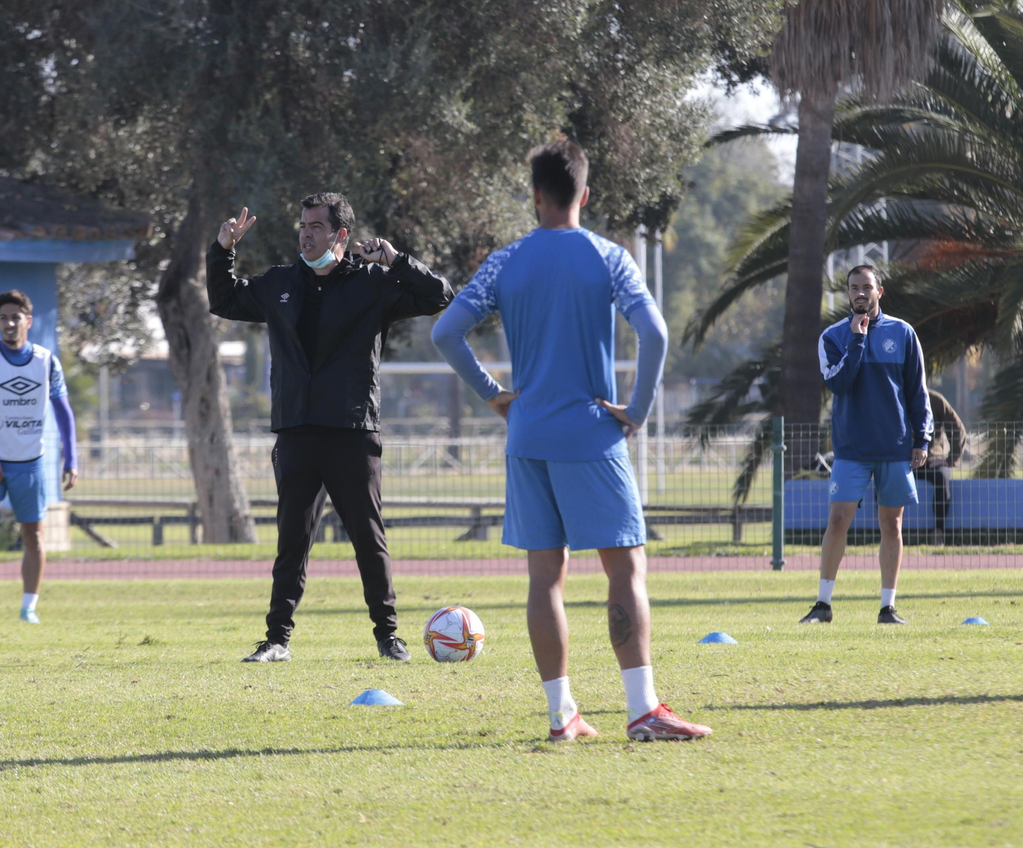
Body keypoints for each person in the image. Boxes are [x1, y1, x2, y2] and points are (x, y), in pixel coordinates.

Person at [432, 138, 711, 744]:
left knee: (545, 578)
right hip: (590, 435)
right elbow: (655, 333)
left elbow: (446, 331)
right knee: (625, 569)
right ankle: (642, 712)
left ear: (535, 195)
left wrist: (493, 393)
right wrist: (634, 411)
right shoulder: (608, 257)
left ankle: (563, 718)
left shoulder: (505, 262)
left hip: (527, 434)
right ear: (585, 194)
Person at [208, 192, 454, 662]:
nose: (306, 233)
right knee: (292, 540)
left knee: (368, 537)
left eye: (316, 226)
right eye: (302, 225)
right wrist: (222, 251)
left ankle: (388, 636)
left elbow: (437, 295)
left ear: (341, 235)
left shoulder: (373, 283)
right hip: (296, 431)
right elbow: (223, 299)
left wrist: (397, 259)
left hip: (352, 431)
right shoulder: (280, 283)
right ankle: (277, 639)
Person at [799, 264, 932, 626]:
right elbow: (838, 384)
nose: (860, 293)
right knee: (838, 519)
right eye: (854, 287)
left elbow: (917, 391)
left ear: (879, 292)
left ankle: (887, 608)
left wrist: (922, 438)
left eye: (867, 287)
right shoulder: (833, 337)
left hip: (894, 447)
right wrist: (857, 339)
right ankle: (823, 605)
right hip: (851, 449)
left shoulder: (902, 333)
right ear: (848, 293)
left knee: (892, 526)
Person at [0, 290, 79, 625]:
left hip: (30, 463)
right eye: (3, 318)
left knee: (33, 535)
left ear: (28, 320)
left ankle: (29, 608)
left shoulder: (46, 360)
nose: (9, 323)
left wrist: (72, 458)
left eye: (15, 317)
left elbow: (63, 411)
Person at [918, 389, 966, 546]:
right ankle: (885, 533)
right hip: (904, 461)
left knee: (942, 477)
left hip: (932, 460)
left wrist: (950, 459)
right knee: (885, 477)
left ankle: (938, 531)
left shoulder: (934, 399)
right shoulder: (896, 396)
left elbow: (957, 428)